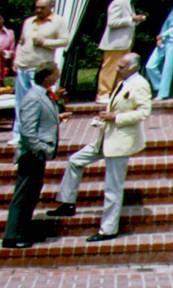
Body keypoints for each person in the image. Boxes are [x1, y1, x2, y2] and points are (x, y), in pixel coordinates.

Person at [48, 52, 152, 242]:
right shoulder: (124, 82)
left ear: (132, 67)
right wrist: (107, 115)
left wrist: (117, 118)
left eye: (121, 67)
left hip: (120, 141)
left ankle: (108, 228)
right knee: (75, 160)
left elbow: (144, 112)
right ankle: (67, 202)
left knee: (113, 186)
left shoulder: (140, 85)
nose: (118, 69)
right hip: (106, 136)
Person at [4, 62, 62, 249]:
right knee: (23, 195)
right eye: (55, 74)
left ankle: (22, 230)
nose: (57, 77)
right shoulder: (33, 98)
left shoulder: (43, 95)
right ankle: (12, 235)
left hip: (37, 154)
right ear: (47, 77)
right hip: (31, 155)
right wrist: (40, 149)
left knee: (31, 194)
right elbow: (28, 131)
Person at [12, 0, 67, 142]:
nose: (38, 11)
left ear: (51, 7)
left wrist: (45, 42)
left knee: (41, 101)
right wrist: (16, 60)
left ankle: (40, 133)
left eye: (42, 8)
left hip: (40, 68)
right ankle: (18, 134)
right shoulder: (29, 21)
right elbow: (21, 42)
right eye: (36, 8)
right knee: (20, 102)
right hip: (23, 66)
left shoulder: (58, 22)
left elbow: (64, 41)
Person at [96, 0, 145, 102]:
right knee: (110, 69)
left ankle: (115, 94)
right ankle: (103, 94)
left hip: (125, 43)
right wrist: (132, 18)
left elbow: (127, 23)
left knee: (122, 70)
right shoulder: (118, 2)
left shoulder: (129, 4)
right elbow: (112, 22)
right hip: (115, 44)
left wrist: (136, 21)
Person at [0, 17, 17, 86]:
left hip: (2, 66)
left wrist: (4, 53)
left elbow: (12, 52)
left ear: (3, 20)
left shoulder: (10, 33)